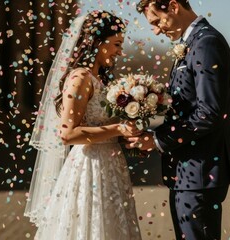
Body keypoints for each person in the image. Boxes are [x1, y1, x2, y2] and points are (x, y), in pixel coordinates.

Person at [24, 10, 142, 240]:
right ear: (98, 42)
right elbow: (67, 134)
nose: (120, 51)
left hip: (111, 166)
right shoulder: (79, 78)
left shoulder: (99, 79)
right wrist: (117, 129)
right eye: (116, 44)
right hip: (90, 167)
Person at [127, 1, 230, 239]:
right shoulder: (191, 43)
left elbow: (208, 113)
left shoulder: (206, 42)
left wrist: (158, 140)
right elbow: (187, 108)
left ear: (174, 6)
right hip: (188, 174)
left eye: (157, 21)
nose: (156, 30)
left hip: (200, 172)